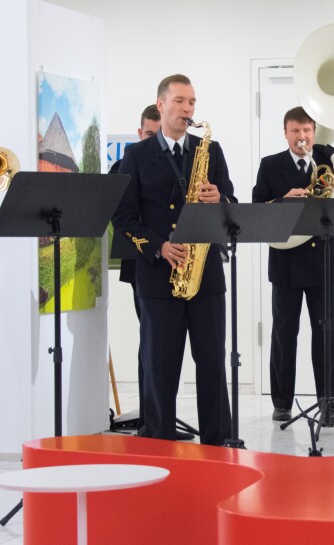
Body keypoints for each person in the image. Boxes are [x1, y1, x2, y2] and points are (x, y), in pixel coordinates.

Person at [111, 74, 234, 445]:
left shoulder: (210, 151)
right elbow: (124, 219)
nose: (187, 109)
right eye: (180, 101)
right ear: (161, 104)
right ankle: (159, 445)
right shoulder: (135, 156)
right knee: (160, 369)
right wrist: (158, 247)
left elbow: (231, 204)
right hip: (158, 275)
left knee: (212, 365)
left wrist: (220, 200)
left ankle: (218, 443)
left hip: (206, 275)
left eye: (192, 102)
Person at [252, 107, 334, 425]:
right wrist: (284, 201)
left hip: (321, 261)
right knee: (284, 334)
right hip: (285, 263)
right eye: (295, 131)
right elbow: (256, 212)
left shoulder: (326, 162)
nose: (302, 137)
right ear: (285, 133)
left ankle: (329, 403)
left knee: (326, 334)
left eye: (307, 130)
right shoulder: (270, 166)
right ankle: (282, 403)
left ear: (313, 131)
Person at [109, 104, 194, 438]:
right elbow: (125, 217)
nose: (151, 137)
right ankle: (153, 420)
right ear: (140, 131)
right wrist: (156, 247)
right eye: (146, 132)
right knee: (152, 345)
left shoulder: (188, 152)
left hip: (183, 260)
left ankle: (161, 420)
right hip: (145, 263)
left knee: (163, 346)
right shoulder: (129, 161)